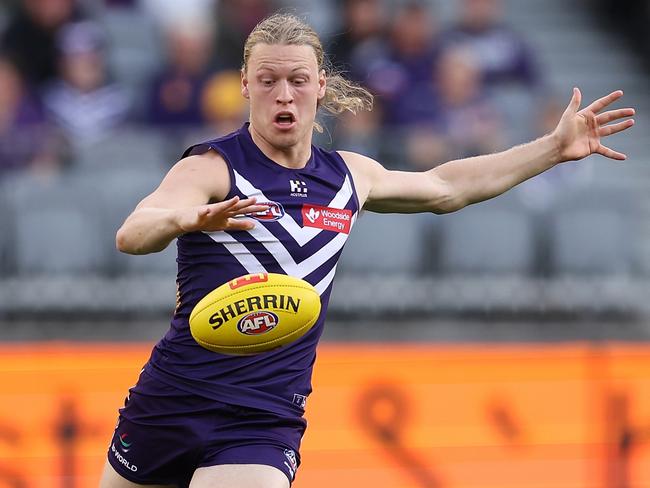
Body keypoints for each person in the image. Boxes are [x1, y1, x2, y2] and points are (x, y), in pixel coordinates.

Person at [100, 12, 635, 488]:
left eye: (297, 80)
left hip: (262, 419)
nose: (283, 94)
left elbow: (445, 187)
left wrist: (553, 148)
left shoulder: (348, 176)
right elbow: (133, 233)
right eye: (267, 81)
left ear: (320, 86)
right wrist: (185, 218)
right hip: (172, 400)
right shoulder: (212, 169)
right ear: (245, 85)